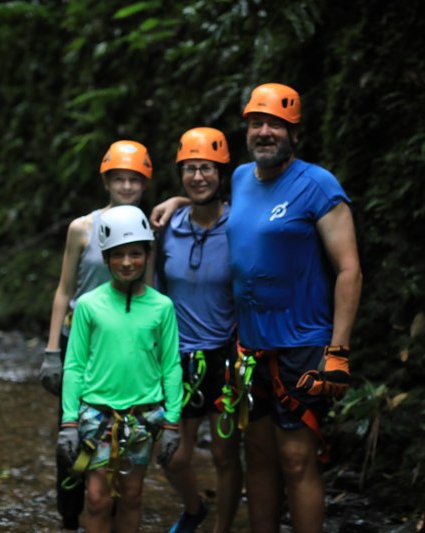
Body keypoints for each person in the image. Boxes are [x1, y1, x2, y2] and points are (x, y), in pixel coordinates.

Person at [151, 83, 362, 533]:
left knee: (296, 456)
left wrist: (338, 351)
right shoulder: (244, 178)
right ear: (247, 129)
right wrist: (180, 200)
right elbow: (214, 204)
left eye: (275, 125)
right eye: (256, 123)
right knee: (260, 455)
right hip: (248, 347)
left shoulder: (317, 185)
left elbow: (349, 270)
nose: (265, 131)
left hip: (303, 342)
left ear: (293, 132)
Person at [39, 139, 153, 532]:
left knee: (128, 426)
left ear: (144, 183)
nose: (125, 187)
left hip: (125, 347)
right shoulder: (81, 228)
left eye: (133, 180)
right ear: (106, 181)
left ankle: (114, 509)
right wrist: (52, 350)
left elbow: (150, 292)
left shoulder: (147, 229)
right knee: (73, 432)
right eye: (118, 179)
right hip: (80, 345)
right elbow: (64, 290)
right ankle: (71, 514)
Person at [56, 205, 183, 533]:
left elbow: (170, 365)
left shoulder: (161, 307)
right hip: (97, 415)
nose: (127, 262)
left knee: (131, 495)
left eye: (135, 254)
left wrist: (172, 421)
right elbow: (74, 365)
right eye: (118, 255)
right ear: (106, 257)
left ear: (147, 254)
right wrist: (69, 421)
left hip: (143, 416)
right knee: (97, 498)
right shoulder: (88, 305)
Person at [157, 127, 242, 533]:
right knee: (172, 455)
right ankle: (194, 509)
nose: (198, 177)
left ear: (221, 173)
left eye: (206, 168)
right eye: (190, 169)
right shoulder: (167, 225)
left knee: (225, 456)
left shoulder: (238, 225)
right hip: (179, 357)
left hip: (226, 355)